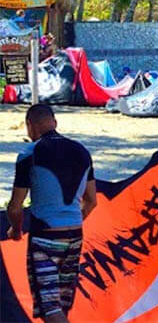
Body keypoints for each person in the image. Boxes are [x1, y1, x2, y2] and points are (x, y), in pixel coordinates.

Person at [7, 105, 97, 323]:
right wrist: (72, 221)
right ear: (54, 122)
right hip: (75, 236)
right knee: (61, 307)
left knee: (50, 309)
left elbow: (15, 206)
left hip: (45, 237)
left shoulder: (30, 154)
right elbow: (92, 201)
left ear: (30, 126)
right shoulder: (82, 152)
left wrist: (16, 229)